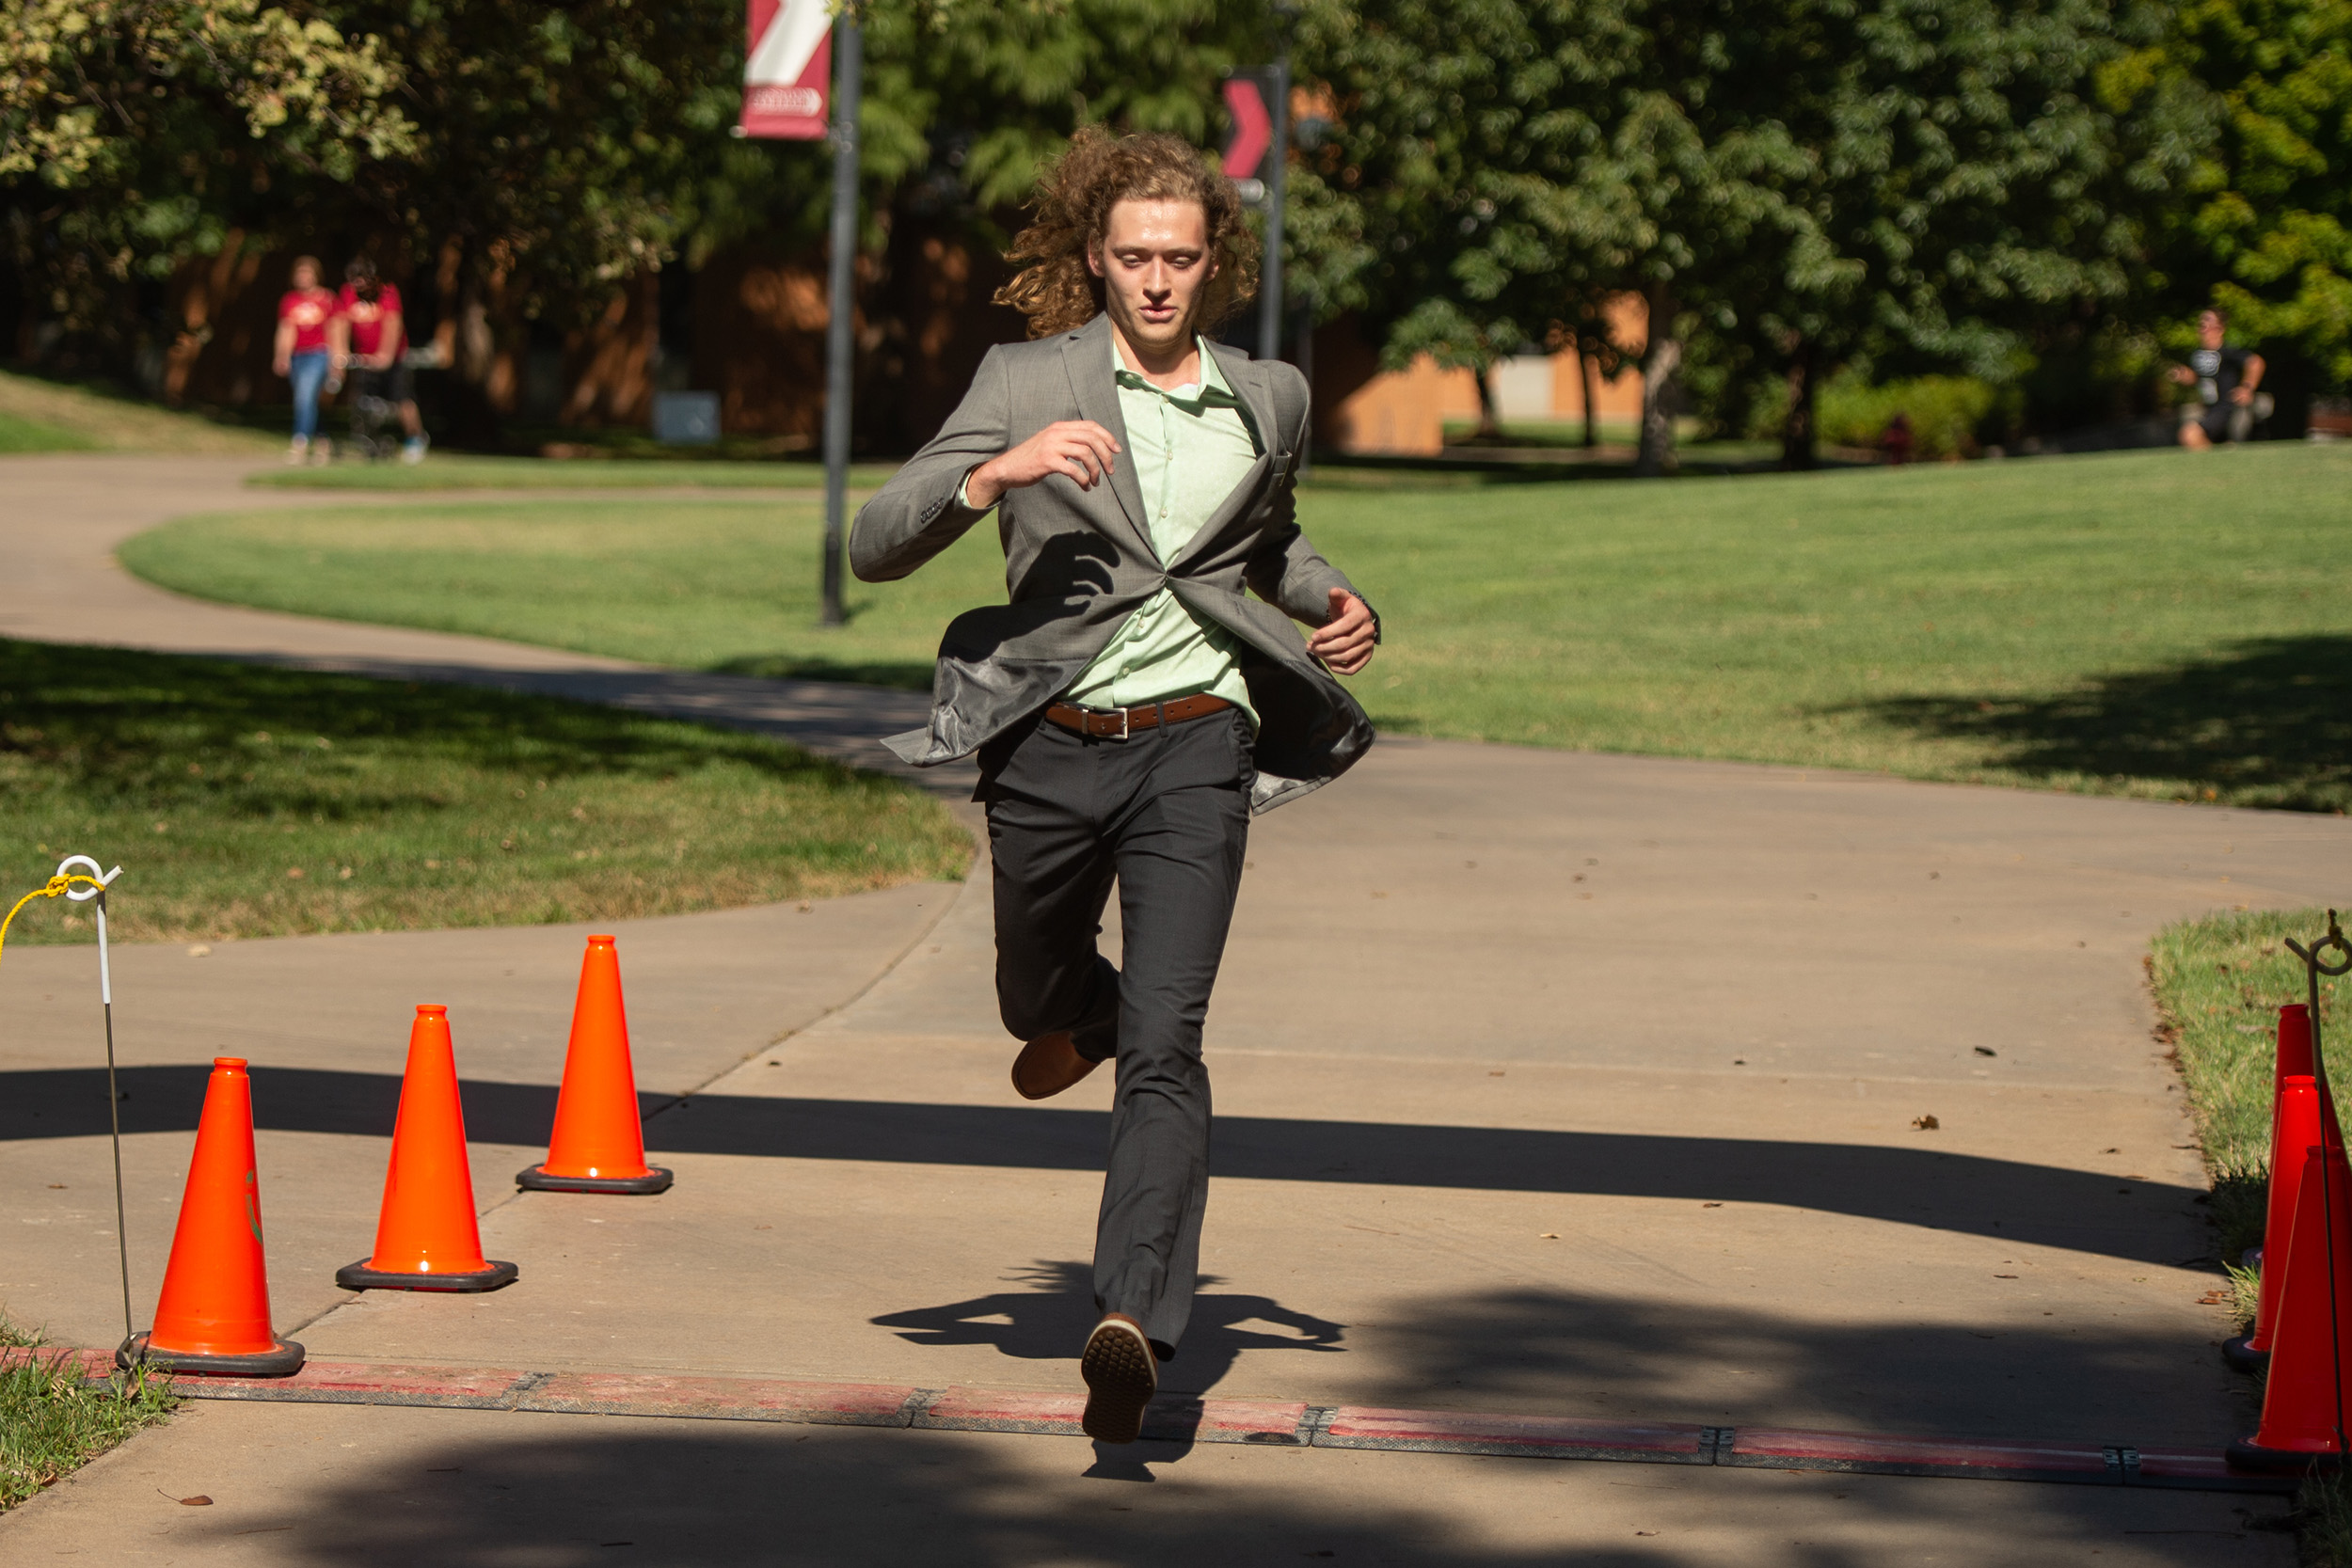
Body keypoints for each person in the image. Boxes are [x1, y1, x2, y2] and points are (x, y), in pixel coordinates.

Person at [850, 129, 1379, 1444]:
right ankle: (1072, 1009)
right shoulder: (1026, 380)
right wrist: (993, 474)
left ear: (1216, 264)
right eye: (1134, 256)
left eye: (1180, 259)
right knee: (1031, 989)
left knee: (1169, 1042)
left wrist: (1329, 599)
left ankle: (1133, 1316)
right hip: (1046, 736)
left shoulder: (1269, 396)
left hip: (1197, 741)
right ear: (1097, 256)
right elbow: (873, 541)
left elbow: (1270, 536)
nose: (1155, 281)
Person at [332, 258, 427, 465]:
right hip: (363, 359)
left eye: (362, 280)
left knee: (402, 400)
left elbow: (393, 325)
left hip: (393, 358)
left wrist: (384, 357)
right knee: (361, 401)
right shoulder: (348, 293)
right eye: (354, 281)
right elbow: (340, 323)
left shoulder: (387, 292)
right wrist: (340, 353)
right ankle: (367, 439)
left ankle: (415, 437)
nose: (358, 286)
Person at [2171, 308, 2269, 449]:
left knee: (2189, 434)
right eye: (2201, 325)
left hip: (2226, 407)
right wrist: (2185, 375)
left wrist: (2247, 388)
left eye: (2207, 324)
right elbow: (2199, 379)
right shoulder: (2197, 354)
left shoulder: (2227, 352)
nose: (2202, 328)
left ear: (2220, 328)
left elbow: (2256, 362)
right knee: (2194, 438)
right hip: (2209, 408)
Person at [272, 257, 337, 464]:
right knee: (309, 401)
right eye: (300, 273)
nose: (303, 277)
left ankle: (299, 442)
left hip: (319, 354)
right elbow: (285, 329)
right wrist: (281, 356)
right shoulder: (290, 300)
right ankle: (323, 441)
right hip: (298, 355)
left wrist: (336, 361)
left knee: (304, 397)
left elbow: (335, 331)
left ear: (316, 275)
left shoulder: (327, 299)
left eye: (307, 273)